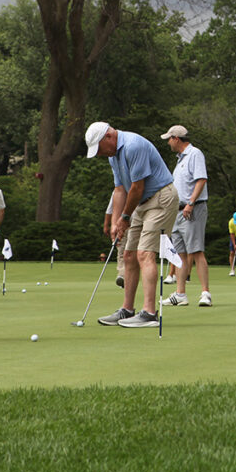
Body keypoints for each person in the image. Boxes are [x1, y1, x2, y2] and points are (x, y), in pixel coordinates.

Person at [86, 121, 179, 329]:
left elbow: (137, 187)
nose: (100, 153)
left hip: (161, 198)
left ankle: (149, 314)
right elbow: (120, 189)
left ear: (109, 137)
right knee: (128, 254)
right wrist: (115, 222)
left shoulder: (133, 145)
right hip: (140, 203)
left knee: (144, 254)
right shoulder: (113, 155)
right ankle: (127, 309)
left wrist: (125, 217)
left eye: (100, 148)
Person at [160, 125, 212, 308]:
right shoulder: (180, 159)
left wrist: (190, 203)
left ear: (176, 138)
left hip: (193, 209)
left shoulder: (195, 154)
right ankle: (180, 293)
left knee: (196, 251)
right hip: (178, 211)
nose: (168, 142)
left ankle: (205, 293)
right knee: (179, 254)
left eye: (169, 139)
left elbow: (201, 179)